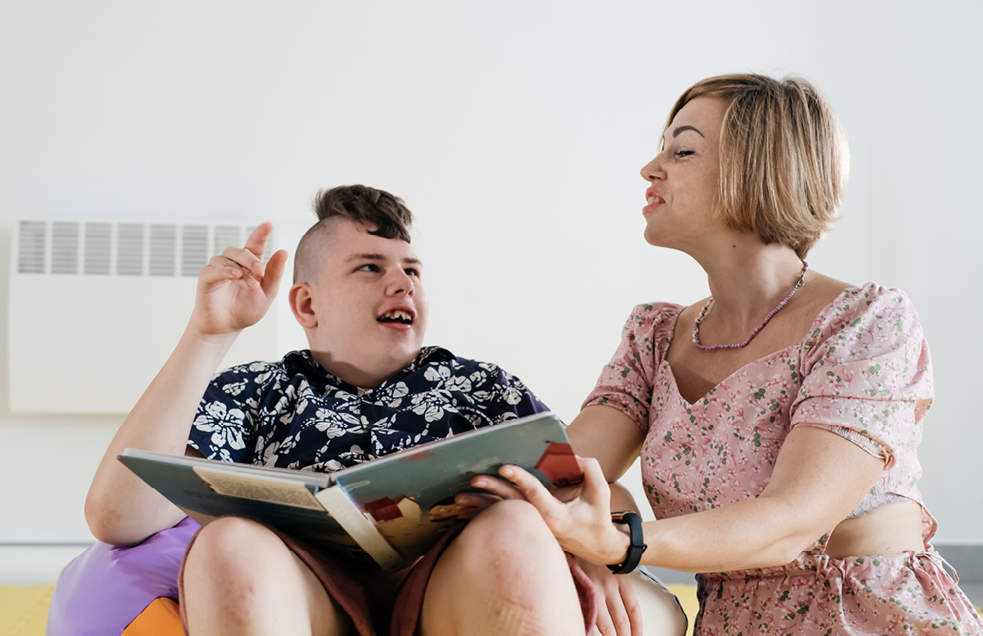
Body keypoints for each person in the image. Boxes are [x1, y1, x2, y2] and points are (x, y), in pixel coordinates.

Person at [485, 74, 983, 634]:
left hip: (870, 617)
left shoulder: (864, 322)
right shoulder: (653, 336)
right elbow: (566, 469)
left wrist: (621, 543)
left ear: (760, 170)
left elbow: (791, 522)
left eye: (683, 149)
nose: (651, 168)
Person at [81, 185, 598, 636]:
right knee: (229, 542)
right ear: (307, 305)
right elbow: (120, 519)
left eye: (412, 269)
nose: (403, 283)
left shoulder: (482, 387)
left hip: (450, 592)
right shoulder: (255, 390)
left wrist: (588, 543)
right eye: (370, 267)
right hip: (307, 596)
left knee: (515, 527)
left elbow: (581, 493)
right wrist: (209, 335)